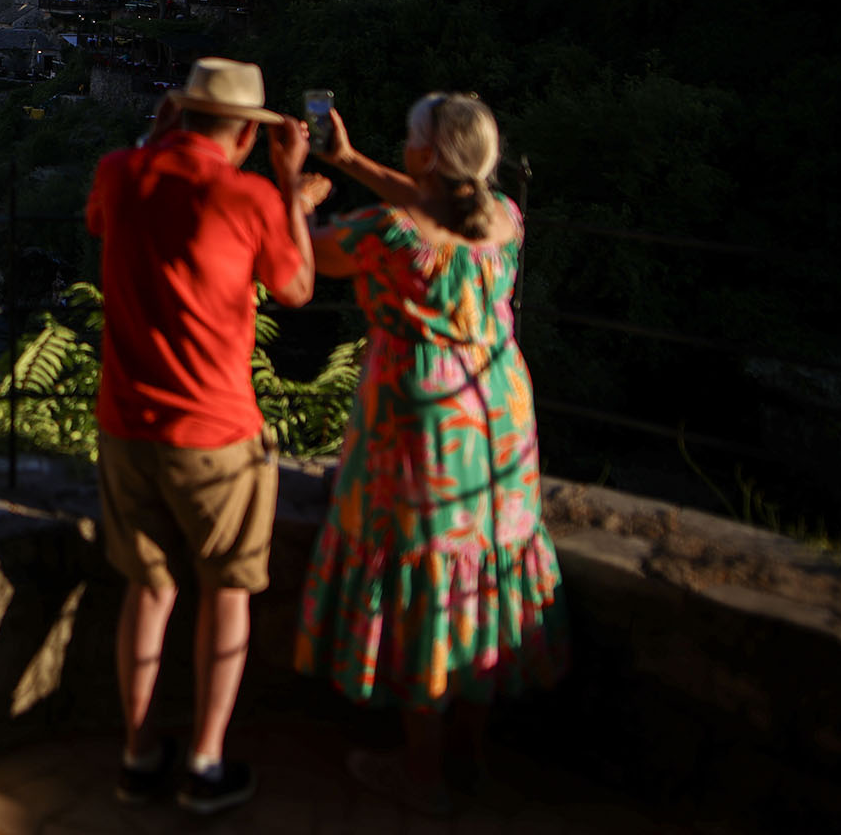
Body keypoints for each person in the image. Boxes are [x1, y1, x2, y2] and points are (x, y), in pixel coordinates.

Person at [294, 93, 567, 816]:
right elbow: (436, 203)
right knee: (478, 570)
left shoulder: (389, 233)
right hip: (500, 409)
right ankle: (467, 756)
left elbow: (305, 260)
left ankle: (421, 773)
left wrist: (300, 193)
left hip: (424, 421)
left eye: (409, 138)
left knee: (429, 580)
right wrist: (350, 161)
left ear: (424, 155)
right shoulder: (503, 216)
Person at [85, 56, 317, 816]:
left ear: (177, 114)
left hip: (125, 423)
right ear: (248, 133)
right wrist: (292, 194)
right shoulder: (248, 195)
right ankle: (206, 765)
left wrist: (149, 147)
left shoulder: (122, 173)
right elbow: (296, 287)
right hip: (216, 433)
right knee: (226, 592)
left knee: (147, 591)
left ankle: (136, 755)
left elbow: (97, 220)